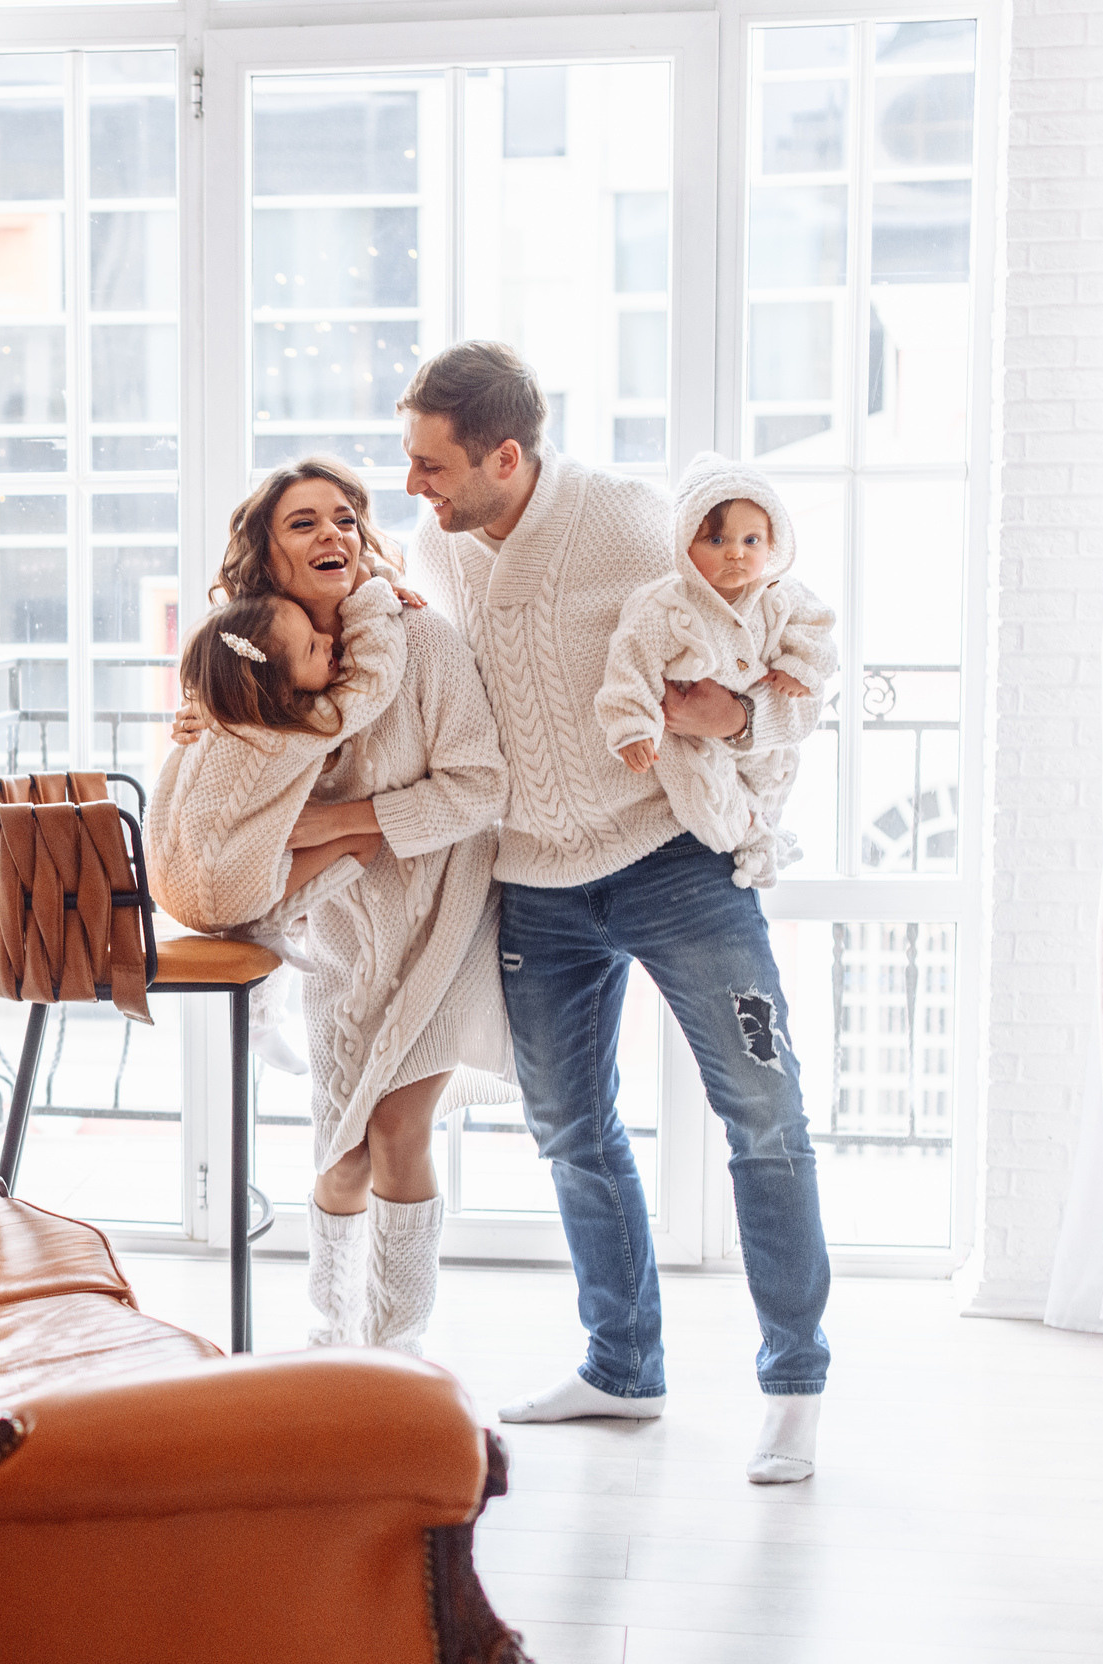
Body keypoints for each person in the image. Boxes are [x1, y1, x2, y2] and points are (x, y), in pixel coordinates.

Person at [396, 341, 831, 1484]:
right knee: (570, 1131)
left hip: (673, 862)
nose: (413, 485)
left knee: (763, 1114)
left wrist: (739, 718)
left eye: (431, 464)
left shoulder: (632, 524)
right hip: (534, 887)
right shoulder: (436, 550)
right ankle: (622, 1367)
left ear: (504, 456)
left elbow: (789, 654)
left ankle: (794, 1384)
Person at [152, 460, 511, 1354]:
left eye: (345, 518)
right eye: (304, 522)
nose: (332, 534)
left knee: (397, 1129)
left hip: (443, 920)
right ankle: (331, 1328)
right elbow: (227, 800)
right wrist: (200, 727)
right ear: (267, 553)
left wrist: (342, 821)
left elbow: (480, 787)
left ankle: (396, 1354)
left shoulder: (419, 643)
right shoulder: (259, 669)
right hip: (343, 936)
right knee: (342, 1154)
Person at [596, 454, 837, 890]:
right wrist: (633, 727)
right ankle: (746, 837)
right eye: (716, 540)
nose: (735, 552)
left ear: (772, 543)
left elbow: (818, 626)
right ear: (685, 545)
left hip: (761, 728)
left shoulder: (780, 595)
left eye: (751, 540)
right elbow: (631, 662)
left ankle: (767, 826)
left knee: (777, 771)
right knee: (701, 792)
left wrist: (799, 666)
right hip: (692, 736)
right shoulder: (666, 606)